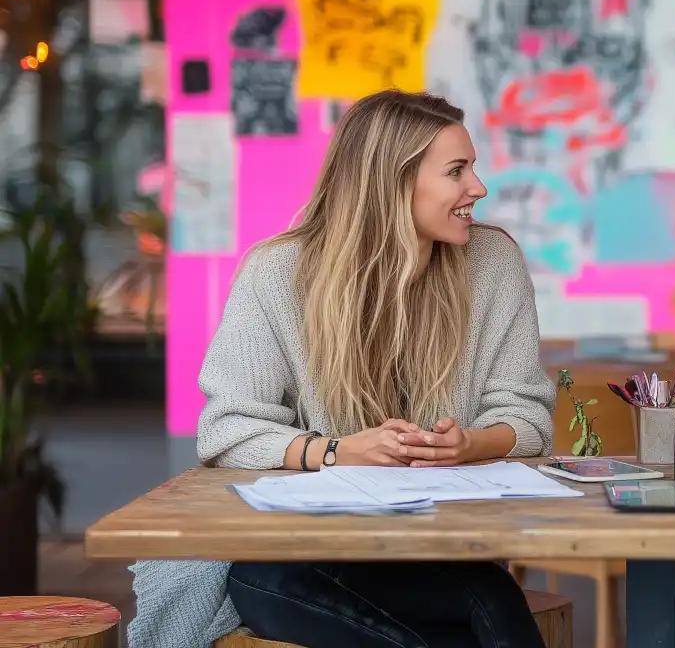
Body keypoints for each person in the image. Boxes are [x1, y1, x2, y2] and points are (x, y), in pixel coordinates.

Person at [128, 90, 555, 648]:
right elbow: (227, 431)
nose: (478, 187)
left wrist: (468, 444)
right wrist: (337, 451)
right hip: (290, 553)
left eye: (472, 167)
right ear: (393, 183)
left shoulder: (492, 262)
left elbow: (528, 415)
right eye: (458, 170)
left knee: (493, 596)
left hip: (428, 548)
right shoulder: (277, 274)